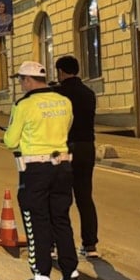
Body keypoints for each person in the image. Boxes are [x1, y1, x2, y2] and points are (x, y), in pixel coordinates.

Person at [4, 61, 80, 280]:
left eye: (21, 80)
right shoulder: (64, 101)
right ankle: (71, 276)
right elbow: (67, 128)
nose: (20, 84)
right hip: (63, 166)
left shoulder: (24, 105)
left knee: (37, 222)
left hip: (35, 170)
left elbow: (10, 141)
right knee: (61, 219)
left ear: (28, 80)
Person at [55, 55, 99, 258]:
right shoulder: (89, 93)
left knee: (61, 197)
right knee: (85, 197)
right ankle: (90, 245)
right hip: (87, 147)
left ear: (61, 72)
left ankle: (58, 244)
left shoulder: (58, 94)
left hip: (65, 148)